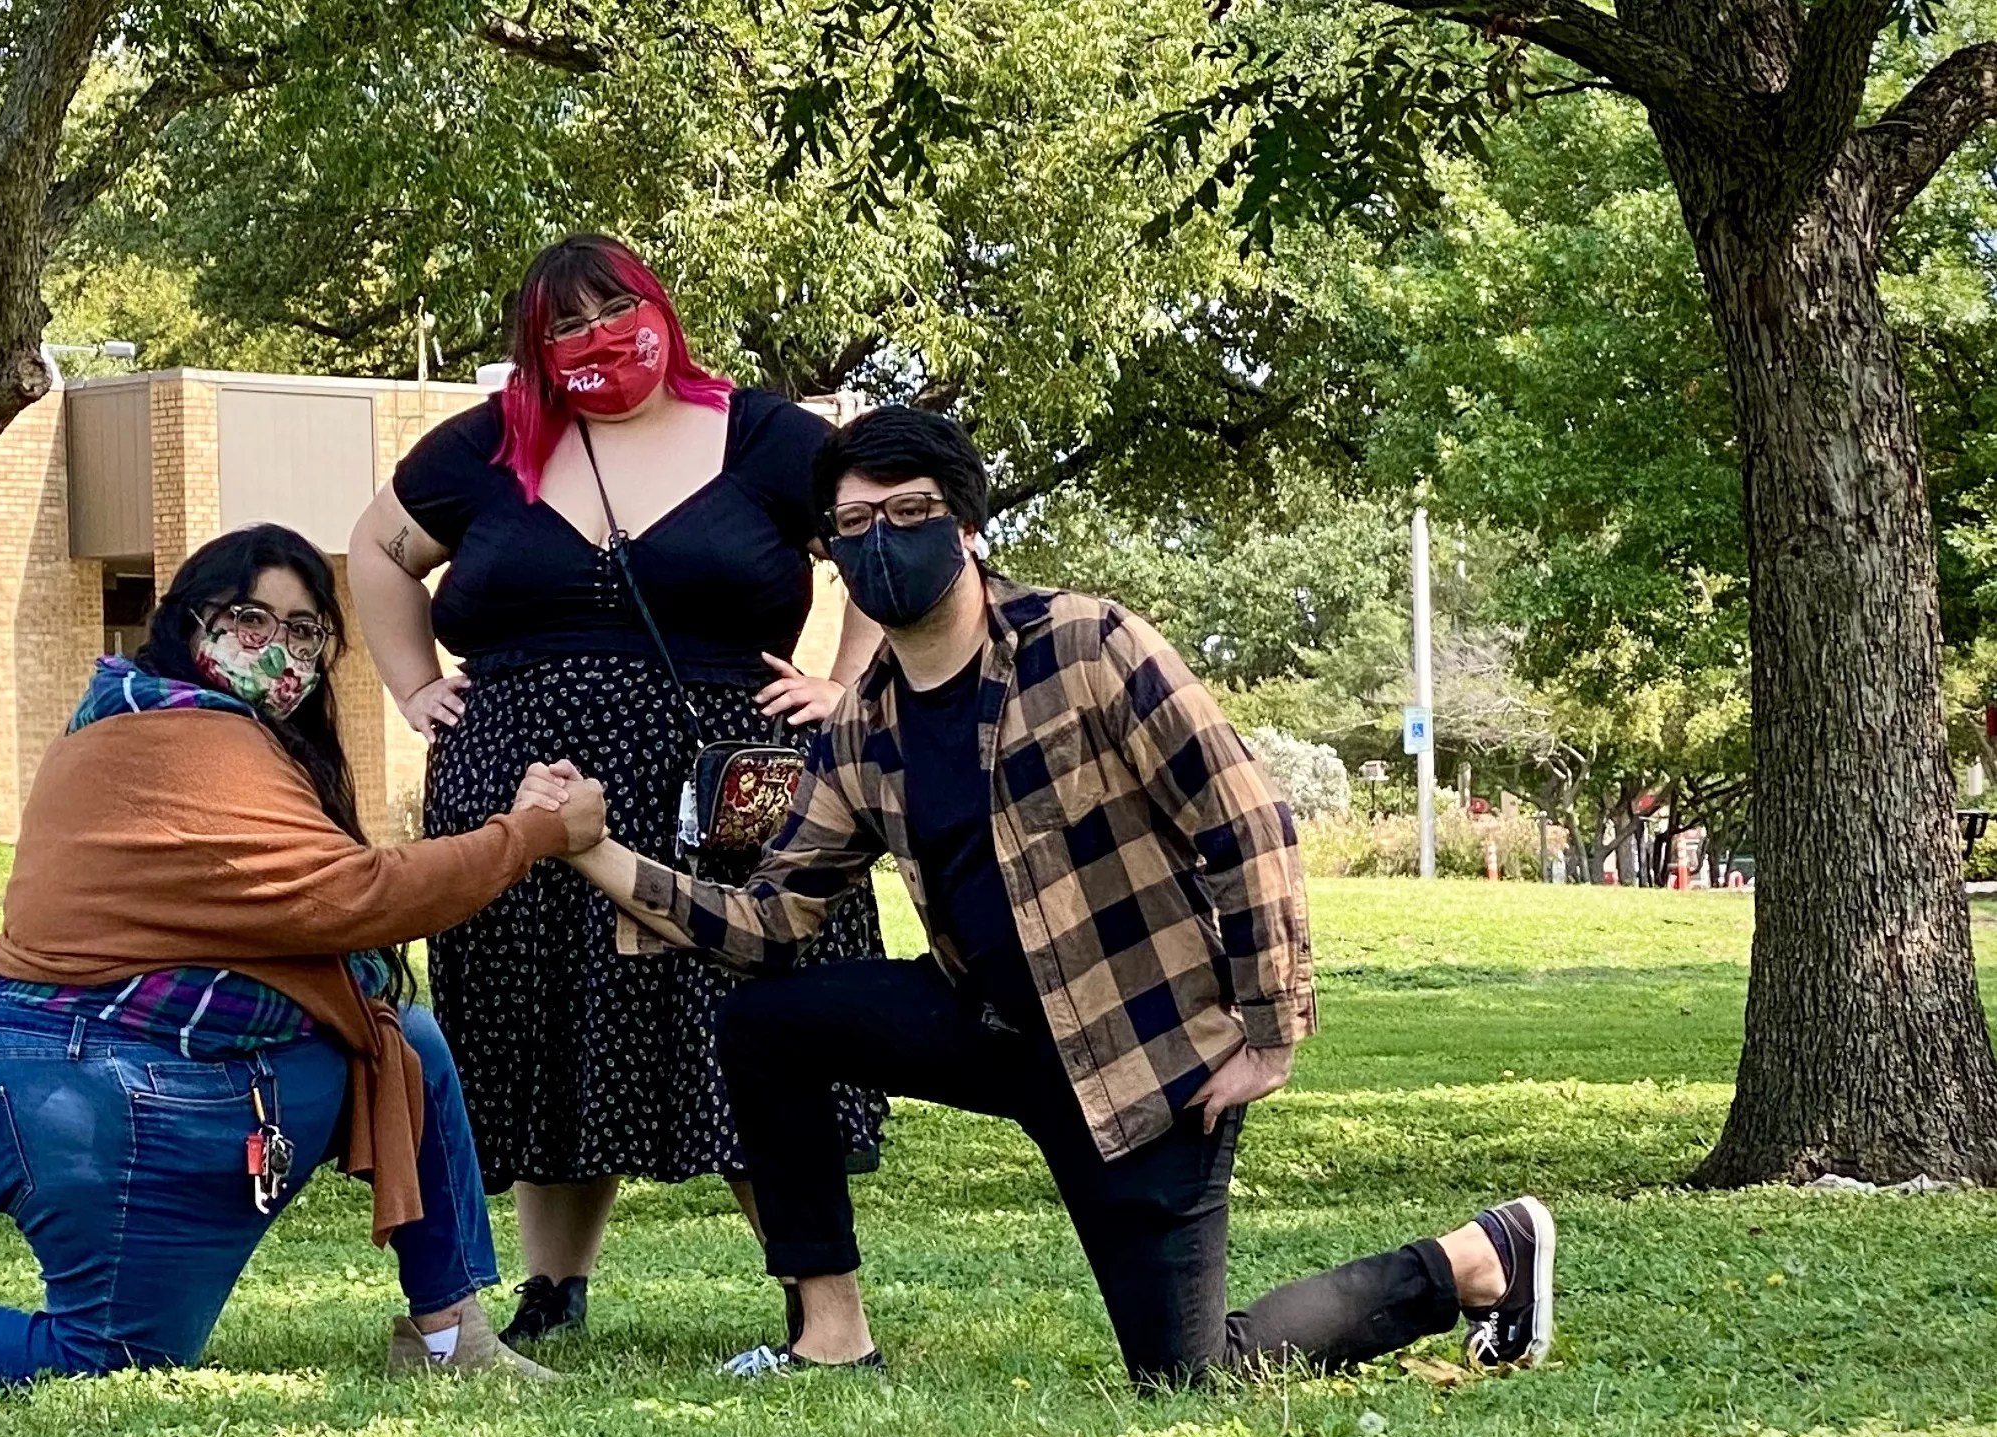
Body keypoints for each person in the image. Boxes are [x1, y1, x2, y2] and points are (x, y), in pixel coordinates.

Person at [525, 407, 1559, 1385]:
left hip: (1139, 1045)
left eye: (909, 512)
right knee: (766, 1022)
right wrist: (594, 849)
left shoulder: (1089, 645)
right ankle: (830, 1333)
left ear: (968, 528)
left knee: (1186, 1372)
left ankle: (1480, 1256)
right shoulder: (862, 725)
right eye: (853, 525)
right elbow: (769, 921)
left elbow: (1245, 822)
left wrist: (1269, 1029)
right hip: (986, 1024)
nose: (880, 541)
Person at [0, 526, 609, 1386]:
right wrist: (530, 832)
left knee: (399, 1038)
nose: (279, 649)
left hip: (93, 1066)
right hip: (82, 1080)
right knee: (109, 1356)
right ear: (190, 622)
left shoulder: (153, 722)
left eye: (304, 631)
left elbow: (301, 912)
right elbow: (353, 897)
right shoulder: (185, 741)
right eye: (250, 619)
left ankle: (449, 1334)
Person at [347, 232, 891, 1347]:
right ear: (533, 345)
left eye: (615, 309)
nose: (597, 337)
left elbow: (879, 532)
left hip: (724, 795)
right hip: (521, 789)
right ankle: (553, 1289)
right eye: (567, 324)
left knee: (744, 1014)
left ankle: (814, 1291)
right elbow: (376, 548)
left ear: (660, 307)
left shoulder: (768, 435)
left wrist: (846, 685)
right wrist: (413, 685)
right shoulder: (488, 444)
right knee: (546, 1019)